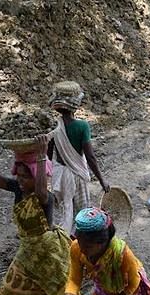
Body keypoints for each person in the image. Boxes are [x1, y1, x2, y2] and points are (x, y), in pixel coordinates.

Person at [0, 136, 72, 295]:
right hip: (28, 248)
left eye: (26, 177)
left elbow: (41, 190)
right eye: (19, 176)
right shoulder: (17, 188)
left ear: (35, 175)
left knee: (56, 284)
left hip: (47, 249)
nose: (21, 181)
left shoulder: (45, 198)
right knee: (11, 288)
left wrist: (42, 155)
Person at [47, 81, 110, 235]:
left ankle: (62, 237)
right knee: (81, 212)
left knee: (64, 209)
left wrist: (47, 178)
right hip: (76, 176)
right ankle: (75, 240)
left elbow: (48, 155)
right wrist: (102, 181)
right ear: (75, 104)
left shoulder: (54, 126)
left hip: (59, 174)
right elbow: (90, 157)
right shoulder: (82, 126)